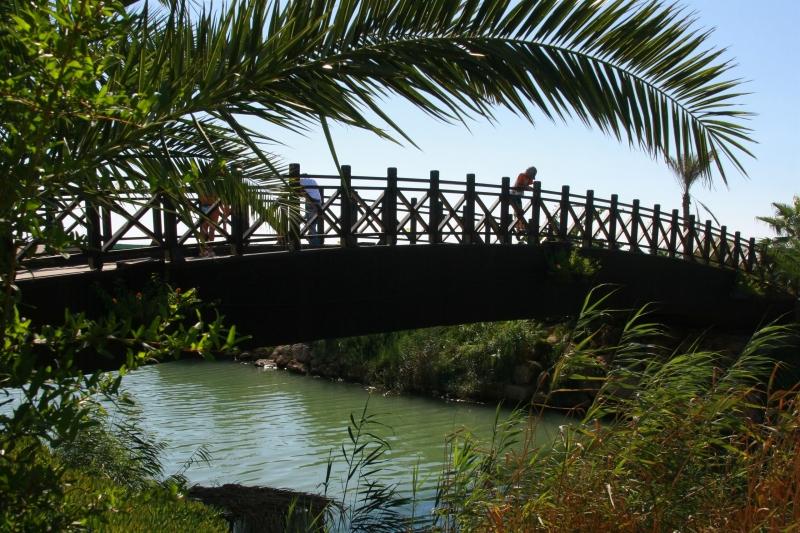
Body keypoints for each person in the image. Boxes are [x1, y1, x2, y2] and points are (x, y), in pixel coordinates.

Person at [299, 174, 323, 246]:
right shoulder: (313, 180)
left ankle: (315, 244)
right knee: (313, 222)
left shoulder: (301, 181)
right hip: (318, 200)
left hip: (311, 201)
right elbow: (317, 191)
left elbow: (302, 191)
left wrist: (310, 200)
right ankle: (309, 236)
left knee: (311, 224)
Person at [510, 166, 537, 232]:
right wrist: (527, 187)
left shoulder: (528, 178)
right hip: (514, 194)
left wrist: (531, 188)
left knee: (519, 211)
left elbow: (529, 184)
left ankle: (519, 228)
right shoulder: (522, 175)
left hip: (518, 196)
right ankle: (518, 228)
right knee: (518, 211)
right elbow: (518, 185)